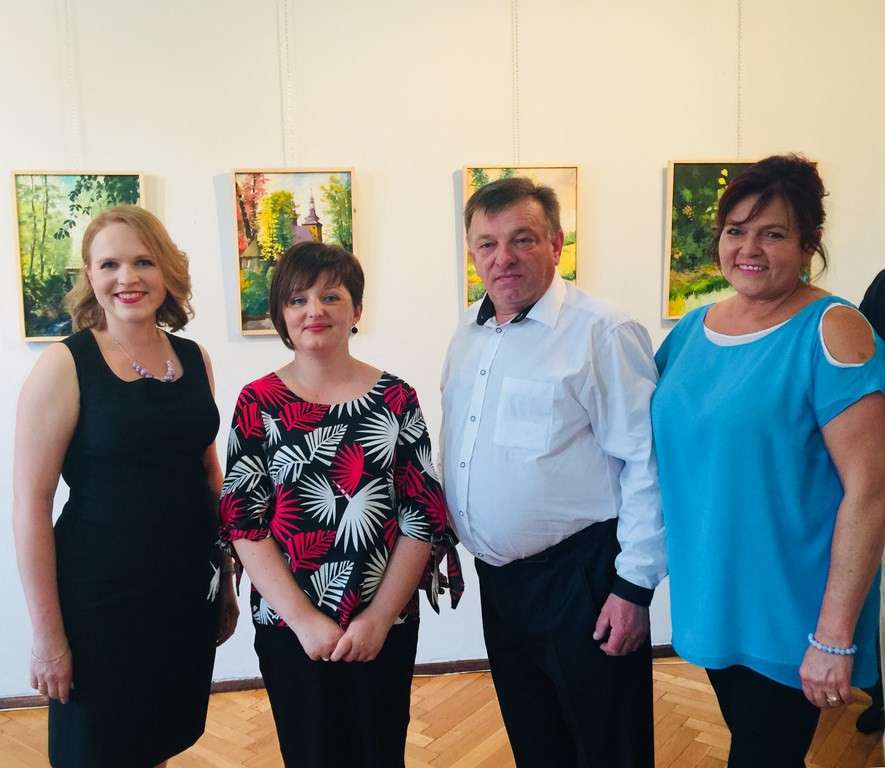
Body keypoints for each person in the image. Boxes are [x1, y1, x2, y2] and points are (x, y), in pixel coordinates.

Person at [651, 155, 885, 767]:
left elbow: (872, 491)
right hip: (713, 594)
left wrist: (833, 637)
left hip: (792, 612)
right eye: (736, 231)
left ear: (809, 243)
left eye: (773, 233)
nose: (749, 248)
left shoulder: (833, 330)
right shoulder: (693, 329)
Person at [441, 177, 666, 767]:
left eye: (522, 239)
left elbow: (646, 463)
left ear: (556, 242)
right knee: (537, 743)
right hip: (500, 584)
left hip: (582, 581)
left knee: (608, 748)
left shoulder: (601, 331)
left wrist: (633, 588)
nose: (503, 257)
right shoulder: (467, 333)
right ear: (472, 253)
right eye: (487, 244)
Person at [12, 205, 239, 768]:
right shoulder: (65, 365)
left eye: (143, 261)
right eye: (109, 264)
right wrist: (48, 637)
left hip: (184, 590)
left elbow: (209, 476)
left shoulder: (194, 359)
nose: (127, 278)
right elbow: (30, 505)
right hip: (100, 601)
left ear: (166, 270)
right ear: (90, 276)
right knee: (99, 749)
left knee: (158, 736)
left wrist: (226, 582)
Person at [219, 241, 457, 768]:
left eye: (331, 296)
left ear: (357, 310)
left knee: (380, 752)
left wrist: (378, 618)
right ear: (281, 314)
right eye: (298, 299)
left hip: (384, 624)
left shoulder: (396, 398)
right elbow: (243, 522)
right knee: (310, 754)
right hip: (289, 627)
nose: (315, 310)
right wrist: (304, 620)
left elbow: (421, 516)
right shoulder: (258, 402)